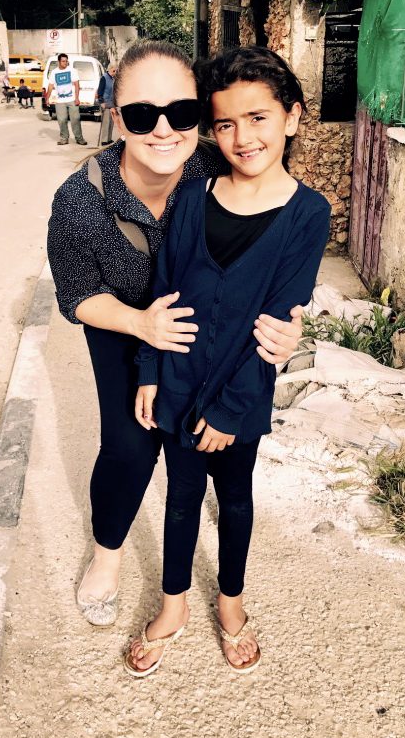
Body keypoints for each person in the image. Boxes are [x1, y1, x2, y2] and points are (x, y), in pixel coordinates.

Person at [47, 41, 305, 630]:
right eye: (142, 115)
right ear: (116, 117)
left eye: (181, 113)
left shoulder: (216, 169)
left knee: (201, 451)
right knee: (129, 447)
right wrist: (140, 325)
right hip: (120, 324)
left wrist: (290, 327)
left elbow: (276, 247)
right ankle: (108, 557)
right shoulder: (79, 200)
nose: (163, 130)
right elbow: (76, 295)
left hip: (204, 331)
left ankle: (201, 578)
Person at [124, 46, 330, 679]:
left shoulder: (307, 215)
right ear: (212, 131)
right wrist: (150, 371)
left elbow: (276, 322)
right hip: (178, 384)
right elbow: (161, 288)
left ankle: (232, 605)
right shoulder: (191, 199)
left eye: (260, 117)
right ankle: (173, 605)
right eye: (226, 124)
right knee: (180, 499)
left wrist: (233, 409)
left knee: (234, 501)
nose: (244, 137)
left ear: (292, 118)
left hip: (237, 400)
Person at [48, 53, 86, 146]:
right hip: (60, 100)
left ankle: (79, 138)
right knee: (61, 120)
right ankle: (64, 138)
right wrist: (47, 97)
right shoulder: (54, 72)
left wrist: (77, 98)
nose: (65, 63)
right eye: (63, 61)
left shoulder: (72, 71)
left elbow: (77, 85)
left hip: (72, 99)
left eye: (66, 61)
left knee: (75, 119)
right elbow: (50, 86)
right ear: (59, 62)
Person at [96, 62, 116, 145]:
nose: (116, 72)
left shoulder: (113, 78)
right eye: (114, 70)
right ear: (111, 69)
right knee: (106, 122)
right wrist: (102, 102)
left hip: (112, 103)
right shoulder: (104, 78)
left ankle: (108, 139)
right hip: (105, 102)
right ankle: (104, 140)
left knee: (111, 122)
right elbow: (100, 91)